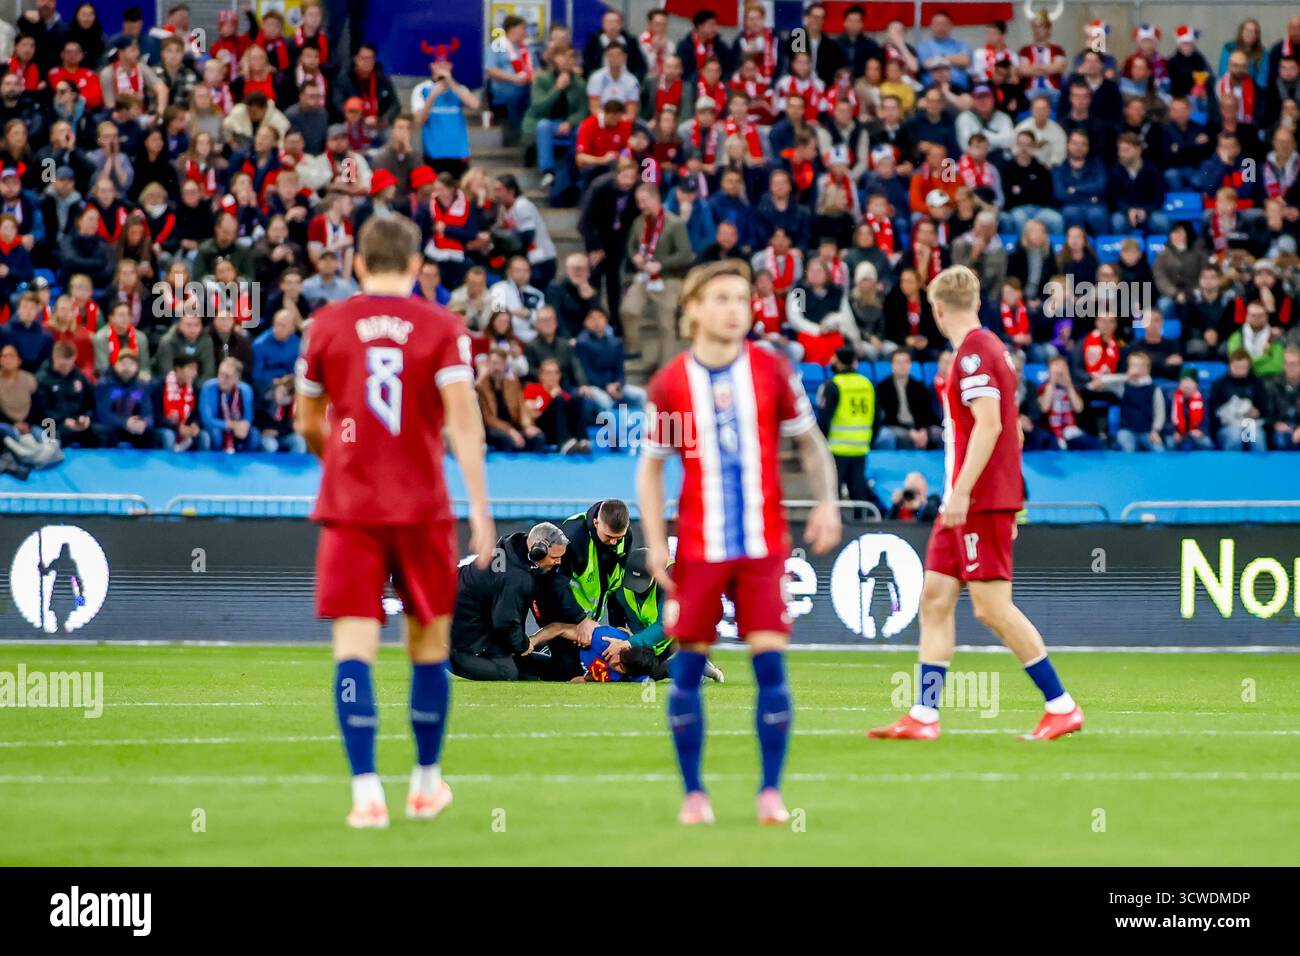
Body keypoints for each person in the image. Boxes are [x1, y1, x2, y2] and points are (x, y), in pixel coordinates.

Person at [294, 215, 494, 828]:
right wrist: (481, 511)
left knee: (354, 651)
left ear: (357, 263)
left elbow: (306, 421)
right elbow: (464, 424)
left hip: (352, 514)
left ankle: (365, 794)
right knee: (428, 648)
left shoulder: (326, 325)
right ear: (416, 266)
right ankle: (427, 784)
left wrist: (343, 462)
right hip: (422, 511)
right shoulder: (442, 326)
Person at [637, 259, 842, 826]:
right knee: (686, 670)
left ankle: (770, 793)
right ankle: (694, 794)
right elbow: (651, 470)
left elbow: (811, 444)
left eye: (743, 298)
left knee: (770, 667)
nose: (736, 309)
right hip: (699, 552)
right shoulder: (671, 382)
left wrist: (826, 502)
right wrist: (656, 542)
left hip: (762, 548)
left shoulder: (772, 371)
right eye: (722, 298)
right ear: (694, 309)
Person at [870, 265, 1083, 742]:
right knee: (935, 599)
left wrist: (966, 492)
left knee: (991, 608)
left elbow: (989, 426)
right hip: (966, 500)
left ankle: (1061, 704)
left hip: (977, 501)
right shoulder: (989, 350)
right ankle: (924, 715)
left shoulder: (973, 355)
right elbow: (1011, 431)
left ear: (939, 309)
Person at [449, 522, 576, 681]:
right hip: (461, 640)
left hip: (475, 629)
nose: (558, 563)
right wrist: (523, 645)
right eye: (554, 557)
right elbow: (505, 623)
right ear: (537, 551)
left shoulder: (513, 551)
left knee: (543, 667)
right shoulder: (516, 577)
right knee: (507, 672)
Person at [817, 345, 876, 509]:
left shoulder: (833, 385)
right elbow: (878, 417)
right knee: (858, 496)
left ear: (840, 361)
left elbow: (824, 419)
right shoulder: (867, 384)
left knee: (833, 495)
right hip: (861, 448)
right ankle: (861, 530)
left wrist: (822, 444)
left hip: (837, 449)